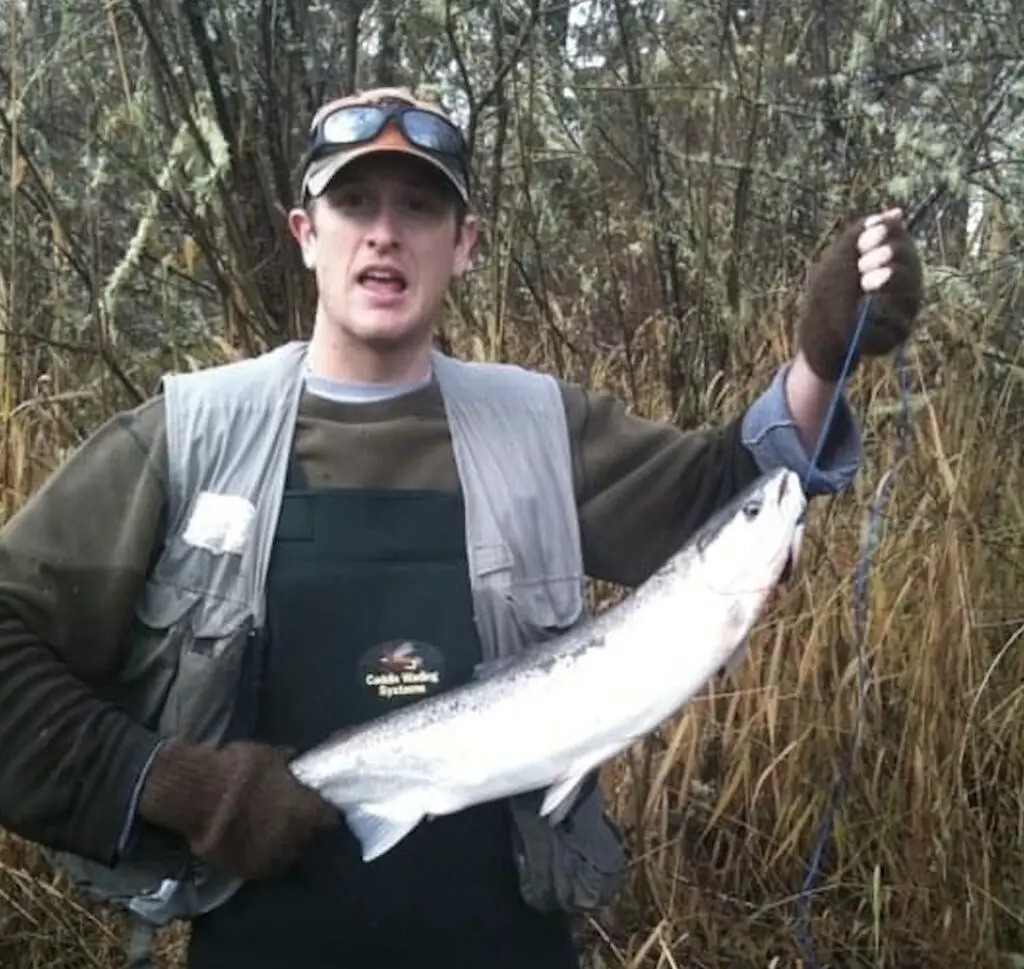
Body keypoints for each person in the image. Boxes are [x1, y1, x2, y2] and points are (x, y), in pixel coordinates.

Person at [0, 86, 922, 969]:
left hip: (509, 942)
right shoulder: (187, 435)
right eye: (354, 201)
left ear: (465, 243)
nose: (386, 232)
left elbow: (724, 497)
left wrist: (820, 357)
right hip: (260, 942)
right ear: (306, 235)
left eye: (420, 208)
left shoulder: (540, 426)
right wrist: (170, 782)